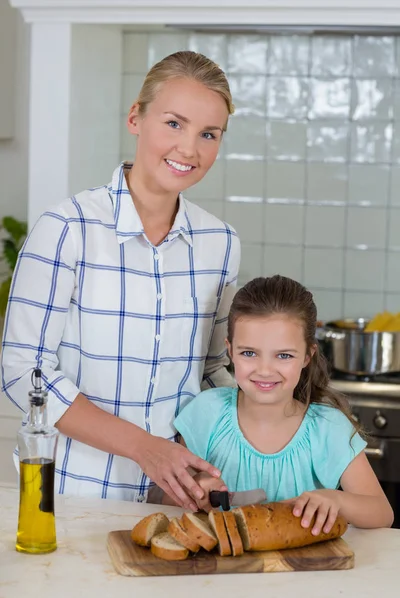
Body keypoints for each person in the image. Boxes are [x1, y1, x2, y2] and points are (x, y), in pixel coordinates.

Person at [1, 51, 241, 511]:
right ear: (136, 117)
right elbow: (22, 372)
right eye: (174, 123)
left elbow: (211, 373)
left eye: (208, 134)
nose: (189, 149)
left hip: (175, 501)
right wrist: (144, 448)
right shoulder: (67, 228)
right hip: (67, 495)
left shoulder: (221, 243)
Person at [170, 275, 394, 533]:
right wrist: (196, 489)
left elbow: (382, 513)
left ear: (307, 356)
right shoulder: (205, 413)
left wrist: (336, 500)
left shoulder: (328, 428)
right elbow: (168, 499)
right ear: (230, 351)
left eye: (284, 355)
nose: (265, 370)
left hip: (305, 571)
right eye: (249, 353)